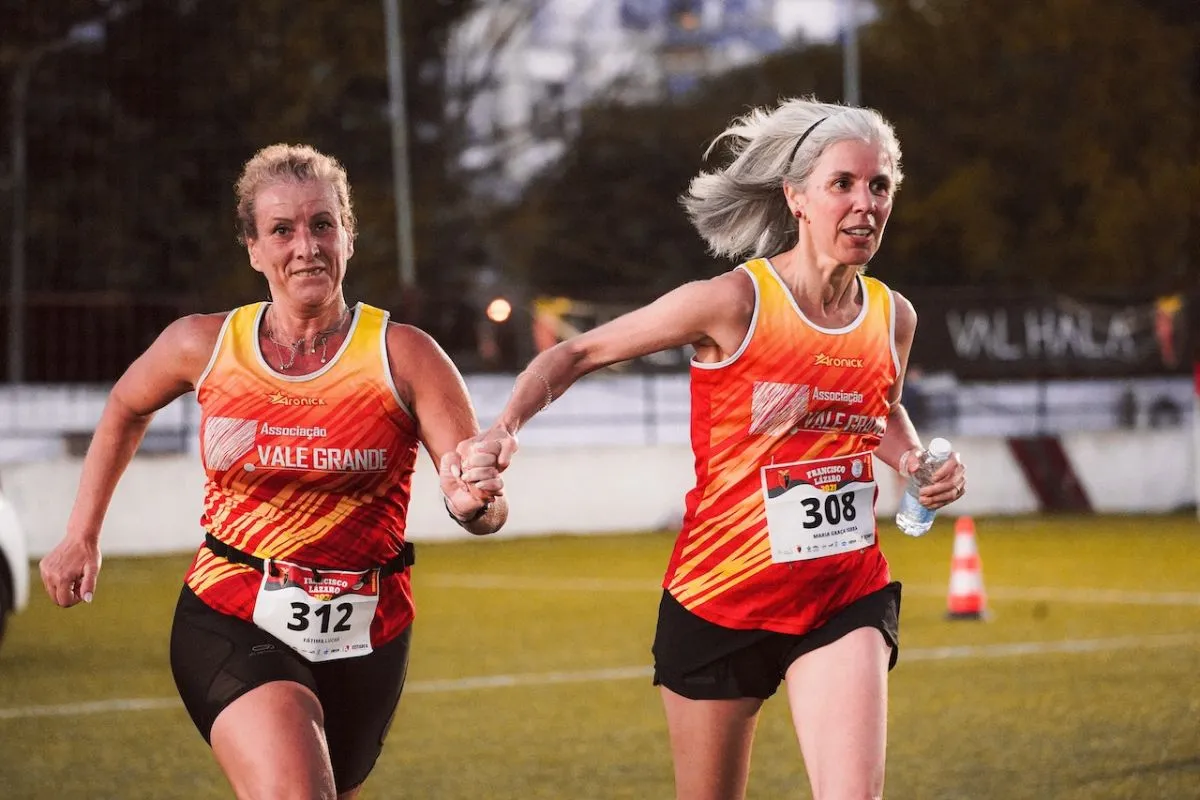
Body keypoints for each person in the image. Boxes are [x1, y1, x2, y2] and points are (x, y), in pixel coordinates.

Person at [458, 97, 967, 800]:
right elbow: (578, 351)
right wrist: (504, 428)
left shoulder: (892, 316)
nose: (865, 203)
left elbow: (873, 409)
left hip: (842, 592)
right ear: (797, 197)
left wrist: (913, 461)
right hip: (720, 598)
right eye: (842, 184)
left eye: (879, 187)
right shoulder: (734, 303)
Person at [38, 143, 507, 799]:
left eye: (322, 224)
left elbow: (476, 493)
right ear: (254, 248)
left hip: (368, 633)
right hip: (232, 613)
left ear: (348, 234)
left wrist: (473, 503)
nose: (306, 246)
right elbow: (123, 406)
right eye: (282, 230)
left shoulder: (404, 356)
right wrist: (81, 533)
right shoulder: (203, 345)